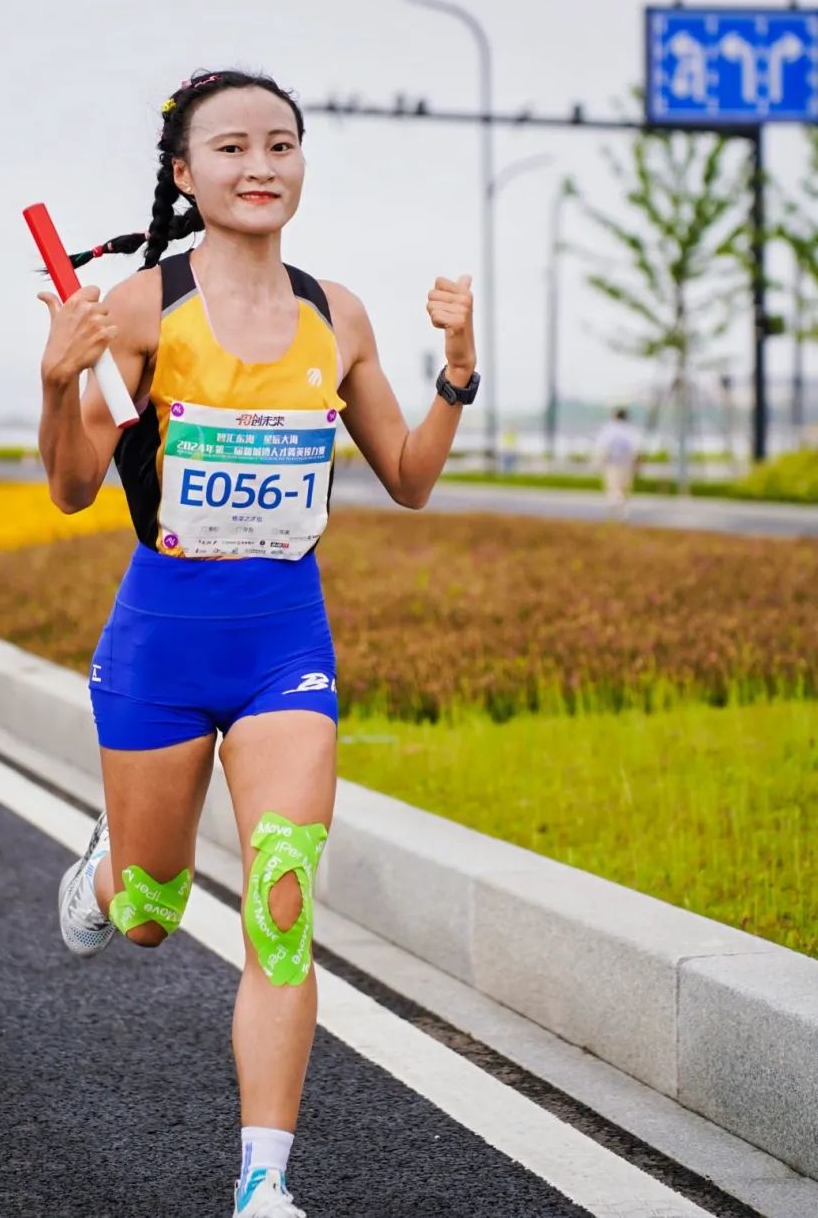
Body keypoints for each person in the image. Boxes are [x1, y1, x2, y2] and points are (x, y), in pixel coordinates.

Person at [35, 69, 479, 1218]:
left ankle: (264, 1181)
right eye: (230, 148)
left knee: (281, 895)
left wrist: (460, 372)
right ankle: (110, 864)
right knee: (147, 913)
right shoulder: (137, 311)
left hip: (286, 639)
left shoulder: (339, 313)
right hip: (161, 644)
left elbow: (414, 479)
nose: (260, 165)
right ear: (185, 174)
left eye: (280, 144)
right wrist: (57, 380)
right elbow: (76, 487)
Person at [593, 406, 641, 516]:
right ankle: (621, 508)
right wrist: (637, 464)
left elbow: (602, 447)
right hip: (626, 463)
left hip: (612, 463)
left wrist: (599, 462)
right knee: (623, 488)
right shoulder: (630, 430)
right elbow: (636, 449)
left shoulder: (609, 430)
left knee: (613, 486)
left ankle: (616, 504)